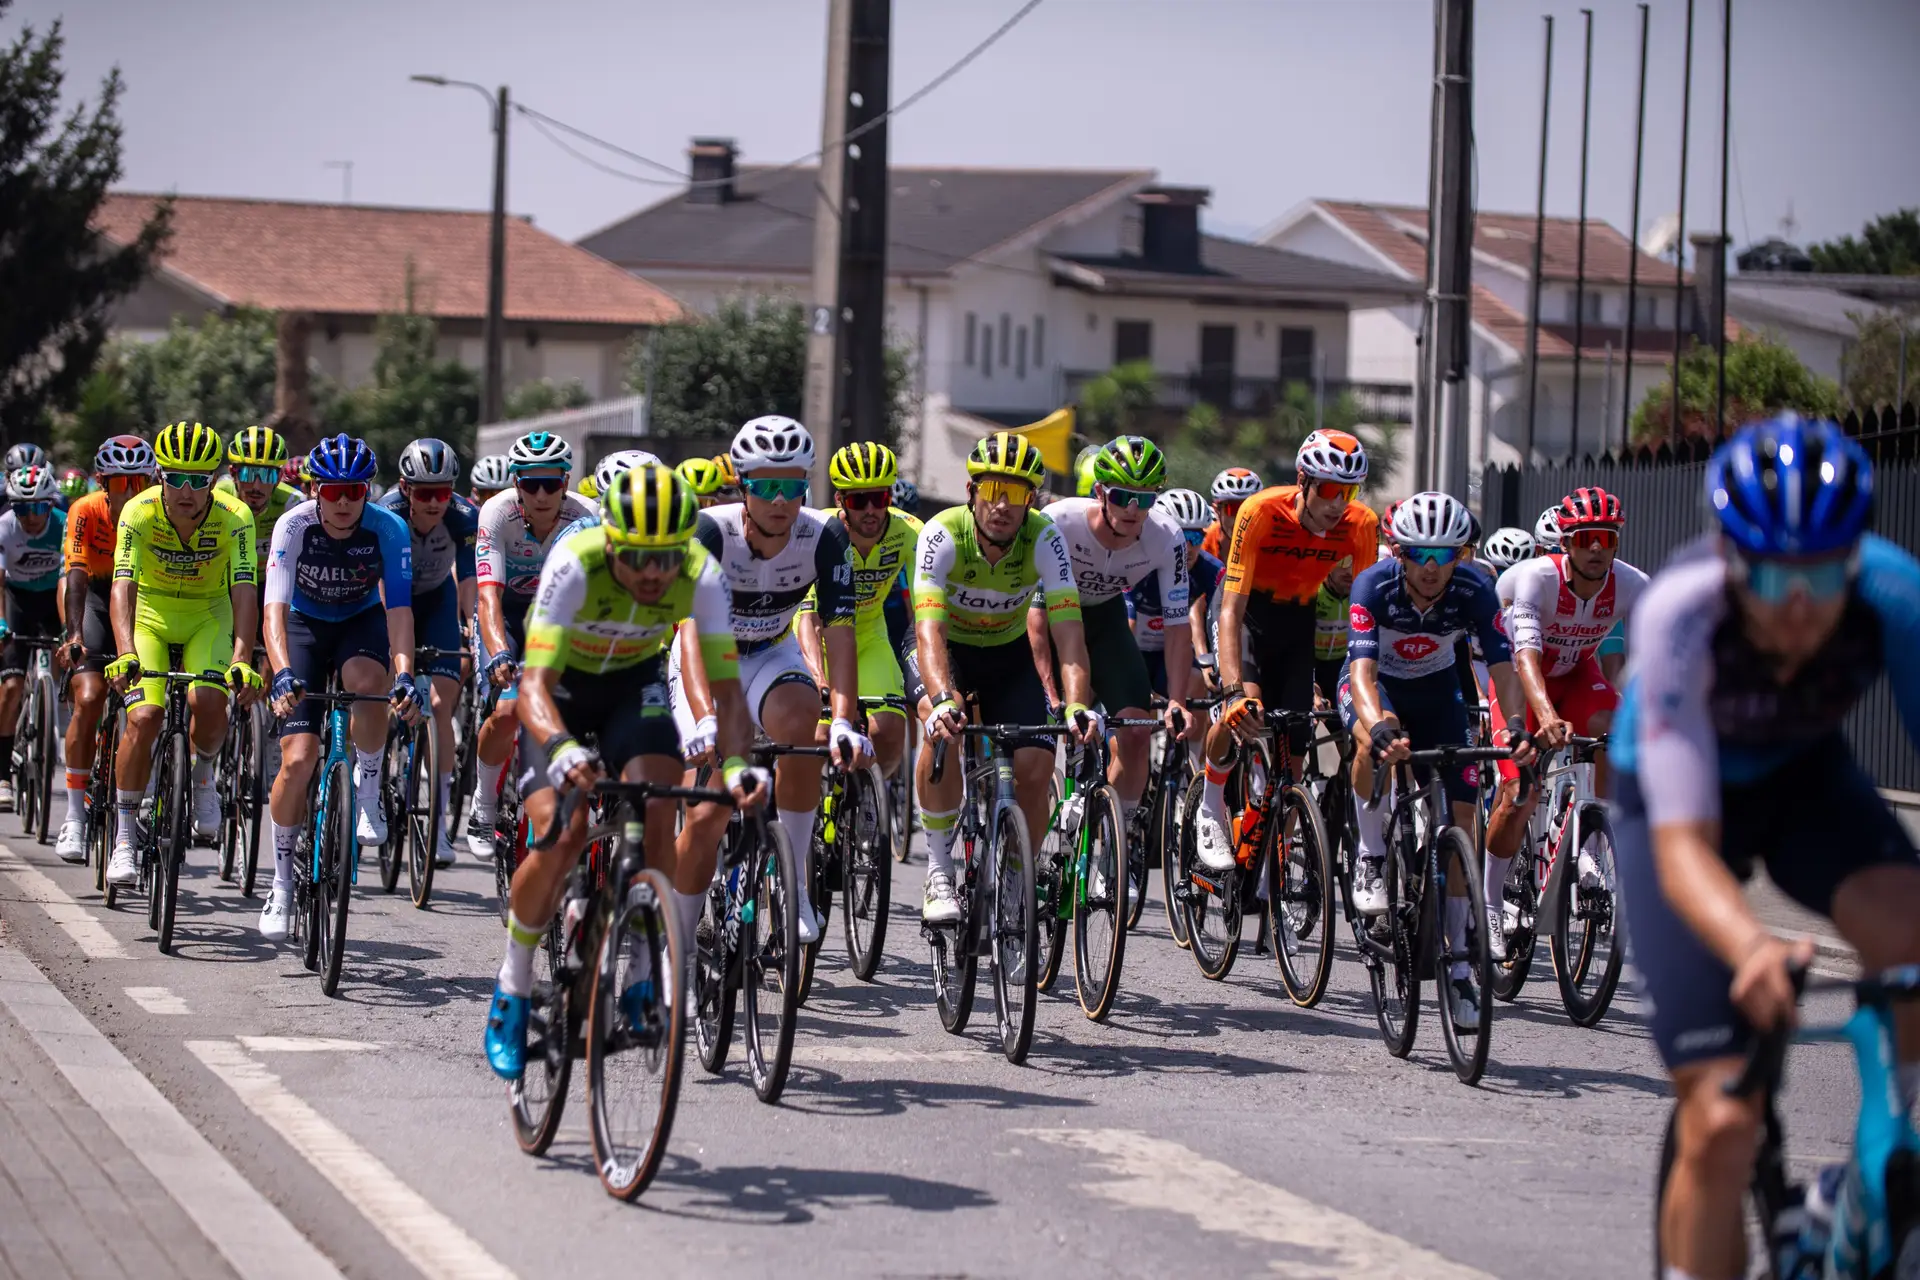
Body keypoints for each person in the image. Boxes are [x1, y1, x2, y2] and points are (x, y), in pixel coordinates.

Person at [1613, 415, 1920, 1280]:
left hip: (1801, 779)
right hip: (1673, 803)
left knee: (1910, 932)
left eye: (1821, 575)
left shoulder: (1895, 594)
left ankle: (1870, 1180)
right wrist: (1750, 947)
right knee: (1721, 1120)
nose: (1797, 604)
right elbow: (1684, 846)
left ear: (1854, 560)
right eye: (1774, 575)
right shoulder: (1681, 612)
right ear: (1731, 558)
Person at [482, 463, 768, 1080]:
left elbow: (729, 692)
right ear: (610, 543)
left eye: (667, 557)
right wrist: (560, 747)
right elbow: (534, 687)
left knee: (658, 801)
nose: (654, 573)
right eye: (639, 557)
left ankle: (640, 965)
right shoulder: (574, 564)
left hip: (632, 686)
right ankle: (514, 981)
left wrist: (737, 764)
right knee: (562, 833)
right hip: (562, 690)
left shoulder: (701, 575)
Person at [1340, 492, 1537, 1030]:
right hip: (1378, 688)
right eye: (1419, 554)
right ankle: (1371, 855)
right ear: (1399, 553)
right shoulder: (1372, 586)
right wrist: (1379, 727)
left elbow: (1503, 669)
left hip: (1437, 692)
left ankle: (1459, 970)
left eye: (1445, 554)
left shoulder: (1475, 589)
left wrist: (1514, 726)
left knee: (1464, 820)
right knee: (1371, 741)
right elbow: (1361, 673)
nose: (1431, 567)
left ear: (1461, 555)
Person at [669, 416, 869, 945]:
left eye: (792, 485)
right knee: (710, 809)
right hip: (707, 658)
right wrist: (705, 718)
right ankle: (679, 942)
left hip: (770, 652)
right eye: (765, 486)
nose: (780, 500)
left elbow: (840, 635)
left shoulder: (824, 535)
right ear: (742, 485)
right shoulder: (711, 531)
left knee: (804, 724)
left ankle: (794, 883)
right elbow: (690, 633)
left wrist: (843, 721)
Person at [911, 431, 1099, 923]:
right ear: (971, 492)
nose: (1002, 504)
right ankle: (939, 871)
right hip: (948, 651)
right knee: (941, 724)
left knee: (1037, 764)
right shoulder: (942, 533)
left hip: (1007, 652)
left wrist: (1077, 703)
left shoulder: (1044, 538)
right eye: (992, 489)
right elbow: (929, 631)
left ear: (1031, 499)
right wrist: (941, 696)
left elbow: (1069, 633)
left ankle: (1017, 873)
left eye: (1015, 492)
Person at [257, 435, 421, 940]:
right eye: (333, 491)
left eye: (355, 491)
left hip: (358, 621)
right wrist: (282, 671)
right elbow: (273, 609)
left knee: (369, 684)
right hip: (303, 624)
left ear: (368, 490)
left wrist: (405, 675)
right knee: (298, 760)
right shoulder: (294, 525)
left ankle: (368, 788)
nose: (345, 501)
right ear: (315, 491)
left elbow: (399, 611)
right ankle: (281, 882)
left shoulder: (388, 528)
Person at [1194, 431, 1376, 871]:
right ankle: (1209, 804)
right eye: (1329, 489)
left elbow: (1366, 615)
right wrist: (1233, 691)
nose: (1338, 503)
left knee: (1294, 752)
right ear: (1303, 481)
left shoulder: (1361, 524)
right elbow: (1230, 610)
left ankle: (1271, 864)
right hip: (1247, 612)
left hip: (1298, 622)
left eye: (1349, 491)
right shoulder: (1260, 511)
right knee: (1245, 711)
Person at [1481, 487, 1648, 958]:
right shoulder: (1536, 579)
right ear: (1566, 544)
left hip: (1576, 675)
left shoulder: (1633, 584)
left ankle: (1591, 843)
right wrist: (1548, 717)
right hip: (1521, 682)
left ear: (1616, 543)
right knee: (1519, 792)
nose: (1596, 548)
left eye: (1606, 539)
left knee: (1614, 729)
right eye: (1585, 539)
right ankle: (1489, 901)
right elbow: (1525, 660)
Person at [100, 424, 262, 882]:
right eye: (176, 479)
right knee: (144, 716)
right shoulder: (139, 510)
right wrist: (125, 651)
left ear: (214, 480)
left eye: (198, 480)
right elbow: (122, 585)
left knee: (207, 699)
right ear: (160, 476)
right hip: (151, 616)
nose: (187, 491)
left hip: (207, 615)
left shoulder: (236, 516)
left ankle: (203, 773)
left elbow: (244, 588)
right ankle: (125, 838)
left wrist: (241, 657)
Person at [1034, 436, 1192, 848]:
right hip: (1049, 619)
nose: (1133, 510)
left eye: (1145, 499)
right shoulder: (1058, 521)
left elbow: (1178, 625)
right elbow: (1035, 614)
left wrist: (1177, 700)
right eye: (1122, 496)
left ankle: (1117, 841)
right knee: (1045, 733)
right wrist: (1053, 691)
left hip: (1105, 620)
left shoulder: (1167, 536)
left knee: (1138, 733)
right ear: (1100, 493)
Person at [464, 432, 593, 859]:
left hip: (558, 618)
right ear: (516, 483)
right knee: (506, 711)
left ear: (566, 482)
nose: (540, 494)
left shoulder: (587, 516)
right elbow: (488, 596)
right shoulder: (497, 513)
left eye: (550, 484)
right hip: (508, 616)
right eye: (530, 483)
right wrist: (500, 652)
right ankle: (483, 804)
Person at [376, 439, 479, 866]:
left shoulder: (464, 516)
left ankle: (437, 820)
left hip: (437, 600)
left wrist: (475, 629)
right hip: (390, 599)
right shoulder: (387, 513)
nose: (435, 502)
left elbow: (470, 580)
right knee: (383, 685)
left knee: (439, 705)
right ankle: (373, 764)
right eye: (425, 493)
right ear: (405, 489)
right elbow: (380, 582)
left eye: (443, 492)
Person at [54, 437, 158, 860]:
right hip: (96, 596)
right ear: (103, 483)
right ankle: (74, 817)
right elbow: (76, 576)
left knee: (149, 707)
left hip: (143, 600)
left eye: (139, 482)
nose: (129, 491)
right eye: (119, 482)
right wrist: (75, 636)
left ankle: (145, 798)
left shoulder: (158, 511)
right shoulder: (85, 510)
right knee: (89, 695)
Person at [795, 442, 920, 784]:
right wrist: (820, 680)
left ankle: (868, 795)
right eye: (858, 501)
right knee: (818, 735)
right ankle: (810, 803)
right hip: (818, 642)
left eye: (879, 498)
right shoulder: (819, 532)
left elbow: (926, 604)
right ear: (840, 501)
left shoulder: (910, 532)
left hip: (869, 636)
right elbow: (807, 616)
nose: (870, 510)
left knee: (889, 729)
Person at [0, 464, 69, 813]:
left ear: (51, 504)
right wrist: (0, 623)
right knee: (11, 688)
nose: (30, 517)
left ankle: (55, 710)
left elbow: (72, 578)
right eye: (21, 508)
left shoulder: (64, 524)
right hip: (17, 601)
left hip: (54, 598)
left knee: (69, 659)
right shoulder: (4, 527)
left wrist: (71, 628)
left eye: (39, 507)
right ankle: (2, 776)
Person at [1130, 488, 1220, 703]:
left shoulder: (1211, 569)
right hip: (1131, 649)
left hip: (1170, 652)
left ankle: (1192, 728)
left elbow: (1223, 620)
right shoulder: (1136, 562)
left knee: (1196, 681)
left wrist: (1220, 667)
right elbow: (1126, 624)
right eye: (1179, 536)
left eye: (1194, 537)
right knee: (1136, 706)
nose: (1186, 547)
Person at [217, 425, 302, 566]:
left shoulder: (293, 503)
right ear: (233, 474)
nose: (256, 486)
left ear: (279, 478)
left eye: (267, 476)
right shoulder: (217, 496)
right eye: (248, 474)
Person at [1202, 467, 1263, 561]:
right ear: (1217, 511)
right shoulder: (1202, 543)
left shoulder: (1270, 542)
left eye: (1248, 509)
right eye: (1233, 509)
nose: (1240, 517)